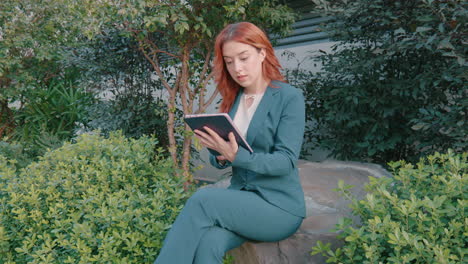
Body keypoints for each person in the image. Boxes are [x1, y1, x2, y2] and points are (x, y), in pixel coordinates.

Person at [154, 21, 306, 264]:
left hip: (278, 208)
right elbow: (227, 155)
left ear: (262, 52)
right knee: (209, 243)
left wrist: (237, 156)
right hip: (242, 201)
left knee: (203, 200)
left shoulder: (289, 98)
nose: (237, 67)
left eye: (243, 57)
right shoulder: (234, 100)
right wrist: (219, 151)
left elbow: (285, 161)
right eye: (229, 61)